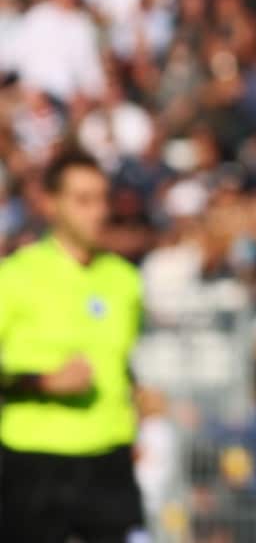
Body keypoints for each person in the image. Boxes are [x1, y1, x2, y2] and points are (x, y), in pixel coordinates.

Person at [0, 151, 147, 542]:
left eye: (102, 199)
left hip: (109, 458)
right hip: (35, 458)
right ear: (51, 204)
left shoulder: (125, 279)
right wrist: (40, 382)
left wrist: (141, 400)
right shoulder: (14, 276)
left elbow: (123, 361)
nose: (98, 212)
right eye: (83, 200)